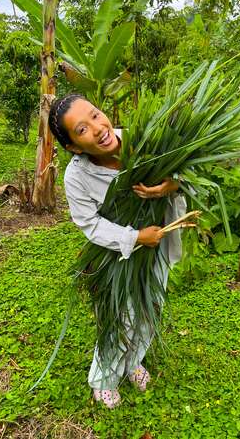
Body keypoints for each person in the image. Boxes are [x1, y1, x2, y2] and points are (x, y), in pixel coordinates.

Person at [48, 93, 186, 408]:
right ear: (73, 146)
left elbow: (182, 171)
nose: (97, 129)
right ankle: (104, 378)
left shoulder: (143, 142)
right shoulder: (77, 175)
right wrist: (136, 237)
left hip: (157, 243)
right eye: (81, 130)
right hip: (118, 254)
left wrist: (170, 186)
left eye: (96, 115)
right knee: (121, 316)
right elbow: (89, 224)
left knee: (150, 308)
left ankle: (133, 361)